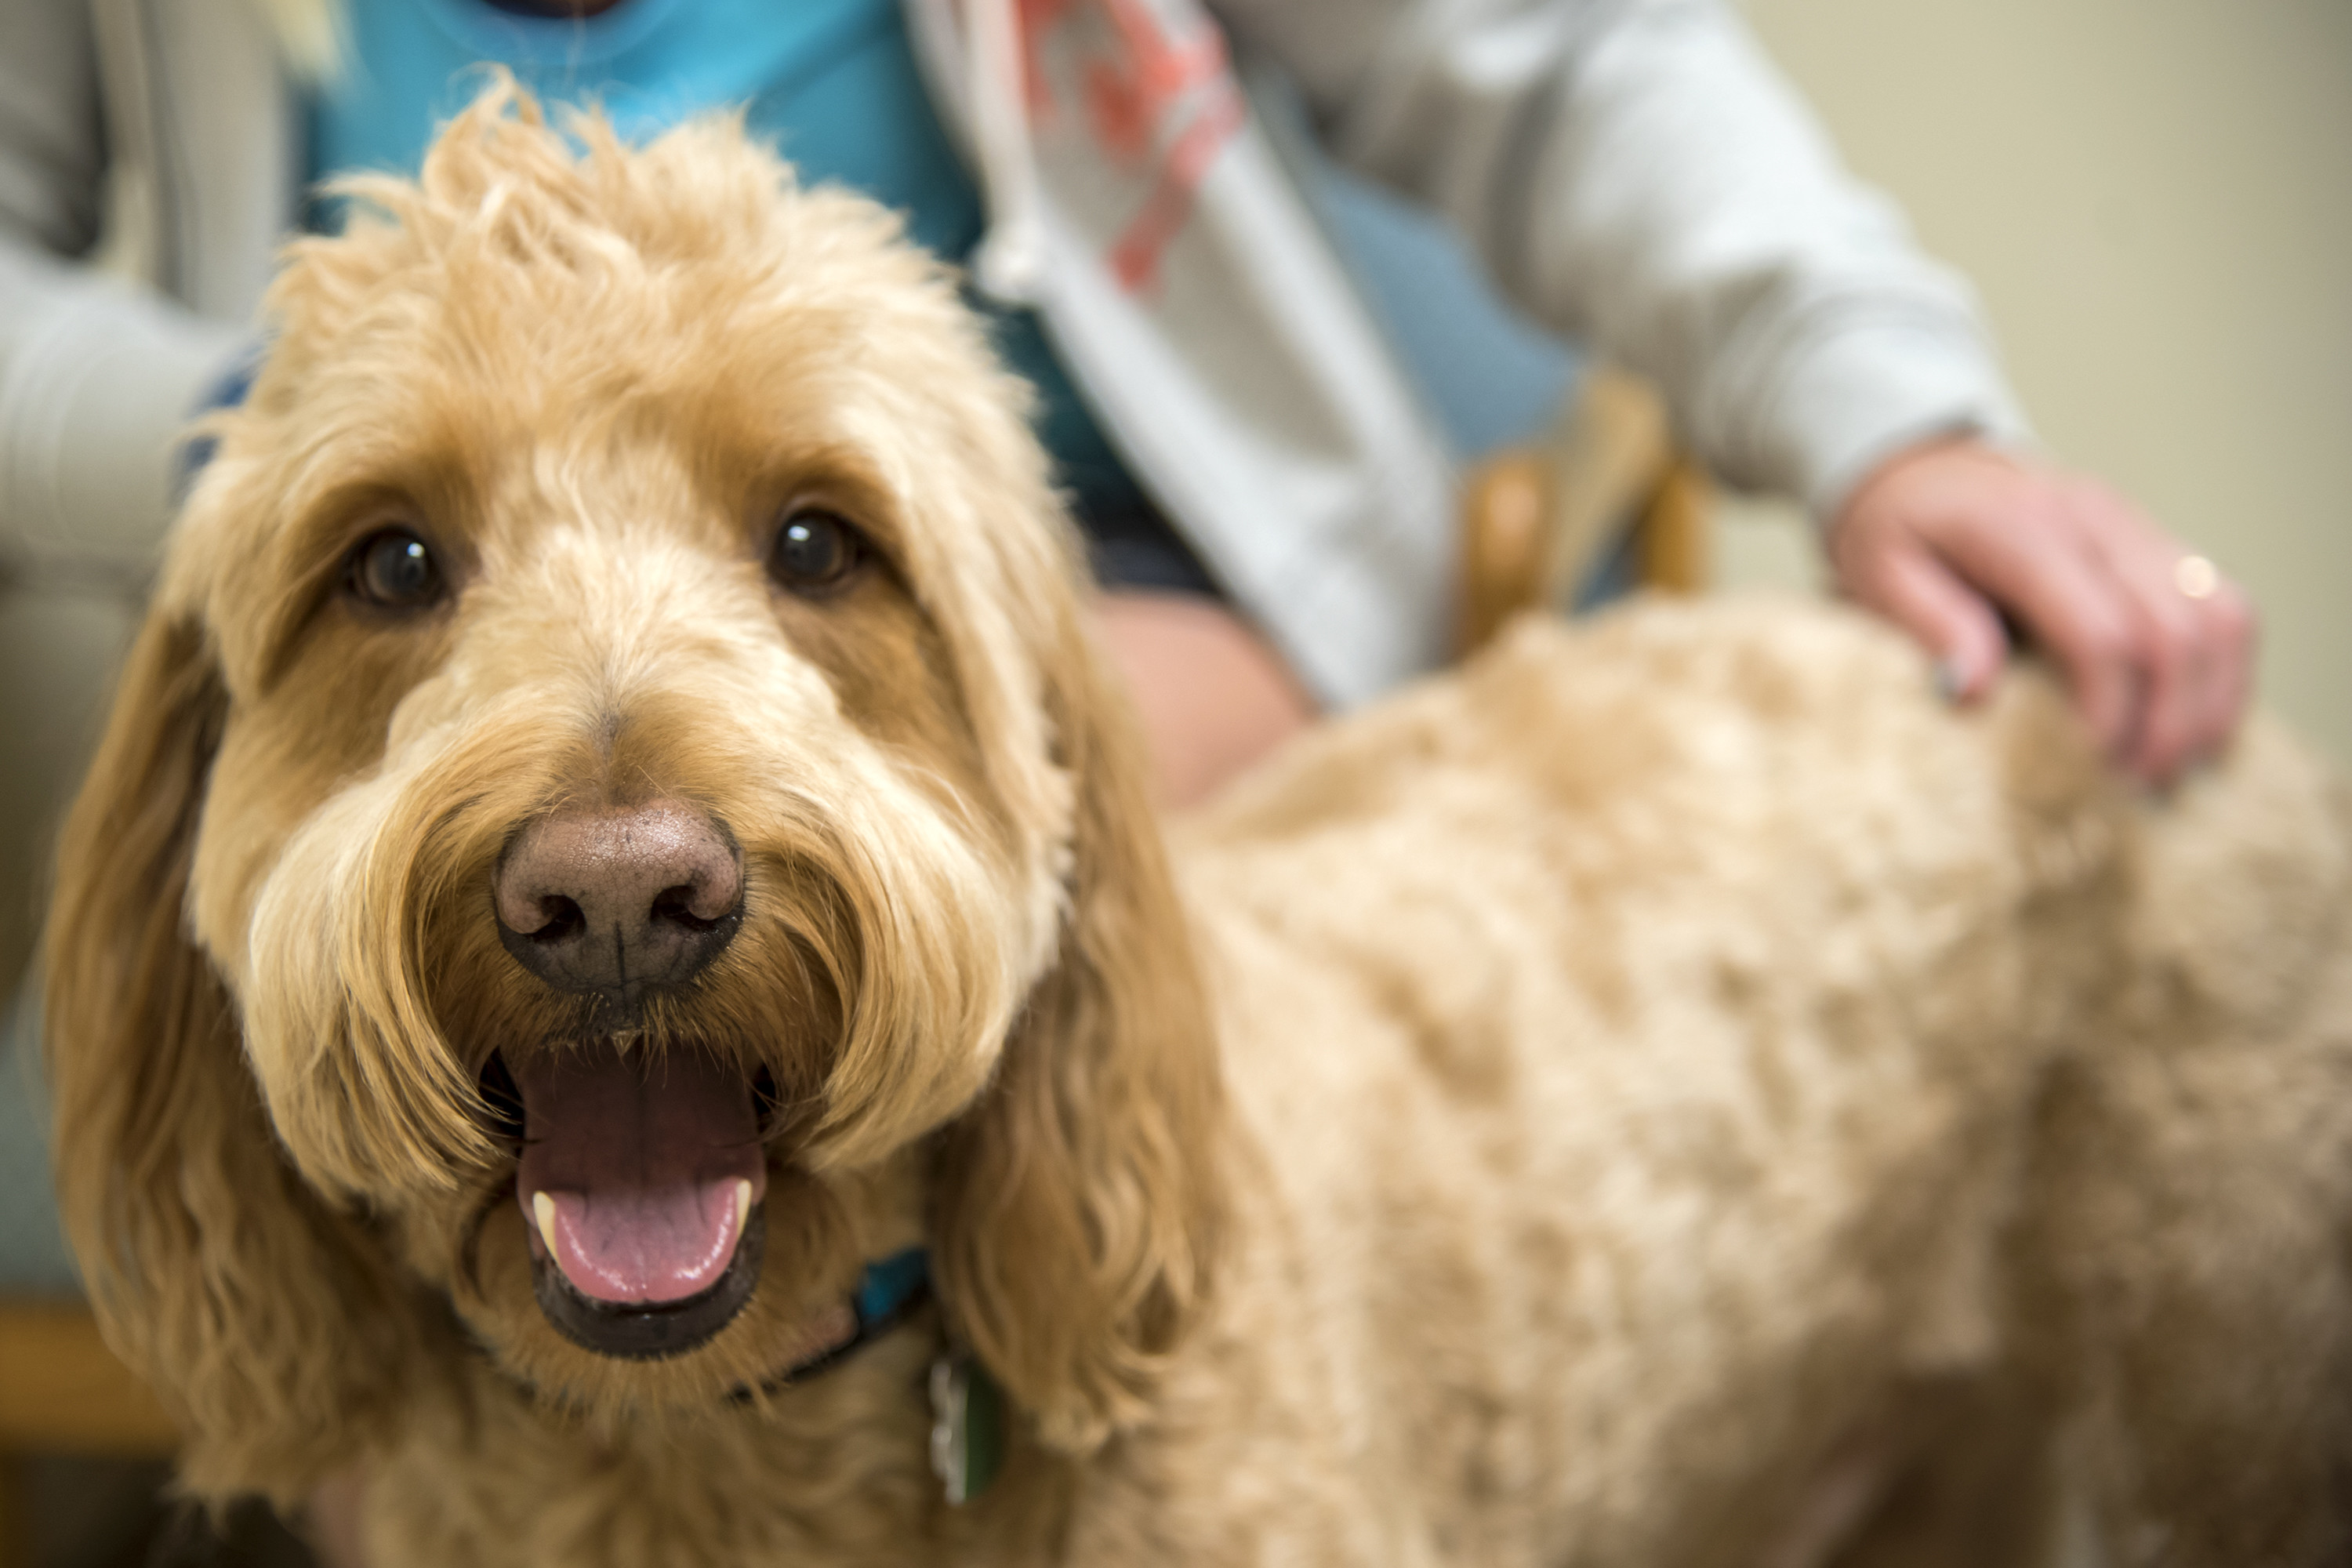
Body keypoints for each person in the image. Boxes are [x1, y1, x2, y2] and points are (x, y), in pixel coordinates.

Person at [0, 0, 2253, 823]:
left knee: (1019, 909)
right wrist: (255, 440)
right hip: (413, 623)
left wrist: (1889, 417)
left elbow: (1559, 65)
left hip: (1101, 571)